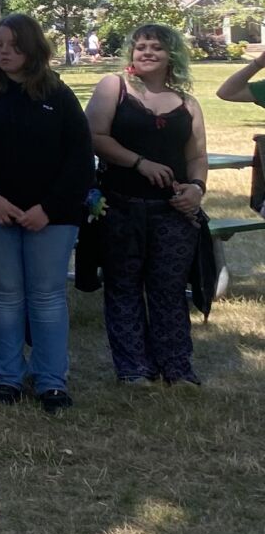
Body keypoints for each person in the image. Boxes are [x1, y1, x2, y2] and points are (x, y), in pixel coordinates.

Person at [0, 14, 93, 412]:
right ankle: (6, 376)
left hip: (51, 217)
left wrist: (49, 208)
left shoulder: (58, 95)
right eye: (0, 46)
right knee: (5, 296)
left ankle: (50, 380)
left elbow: (80, 160)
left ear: (34, 49)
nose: (5, 53)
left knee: (46, 296)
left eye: (14, 46)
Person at [85, 25, 208, 386]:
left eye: (156, 47)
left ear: (172, 55)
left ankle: (178, 368)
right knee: (123, 288)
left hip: (172, 211)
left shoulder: (187, 103)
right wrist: (139, 162)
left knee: (169, 290)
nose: (147, 52)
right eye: (140, 46)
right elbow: (92, 136)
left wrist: (197, 189)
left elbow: (197, 155)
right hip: (120, 206)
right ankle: (133, 369)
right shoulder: (115, 87)